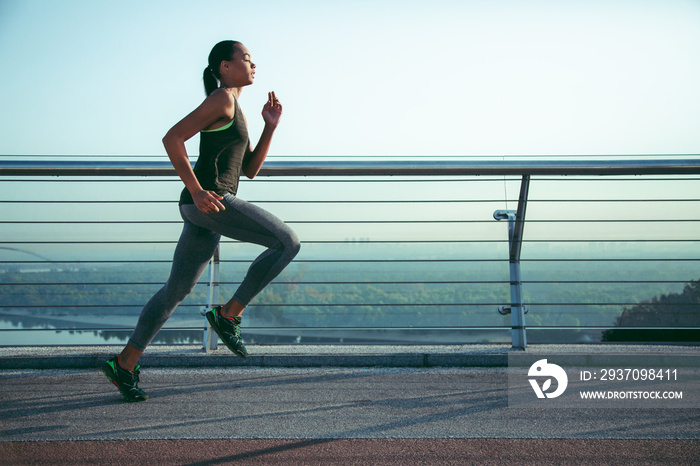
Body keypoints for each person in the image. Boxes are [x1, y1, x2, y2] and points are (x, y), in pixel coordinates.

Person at [102, 40, 300, 402]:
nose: (253, 64)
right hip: (209, 202)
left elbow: (250, 170)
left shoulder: (234, 106)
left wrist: (269, 126)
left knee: (175, 291)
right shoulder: (222, 99)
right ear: (225, 66)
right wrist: (195, 191)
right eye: (246, 58)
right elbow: (172, 138)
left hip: (205, 209)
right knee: (287, 242)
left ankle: (124, 364)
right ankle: (228, 315)